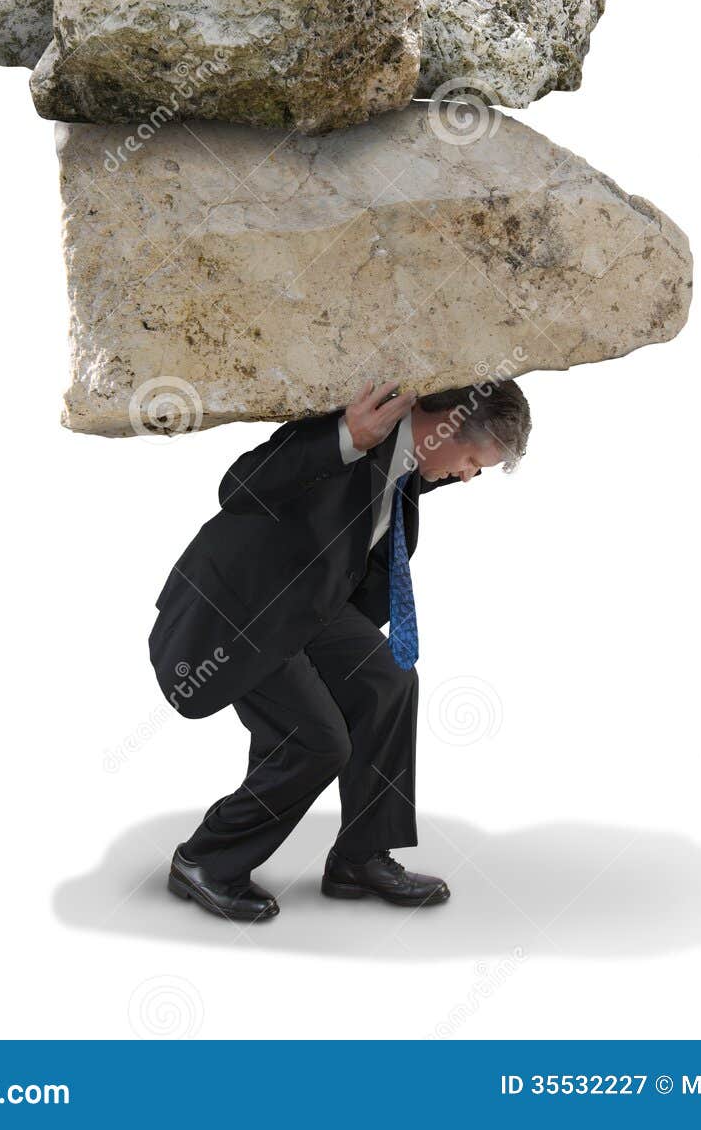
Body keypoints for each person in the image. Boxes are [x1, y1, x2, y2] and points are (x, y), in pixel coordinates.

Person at [148, 376, 532, 922]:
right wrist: (344, 438)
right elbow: (238, 488)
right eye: (472, 459)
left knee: (390, 684)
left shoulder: (412, 455)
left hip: (310, 606)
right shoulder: (347, 434)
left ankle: (359, 857)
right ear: (444, 427)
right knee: (318, 742)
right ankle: (205, 861)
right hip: (242, 615)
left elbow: (415, 469)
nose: (468, 477)